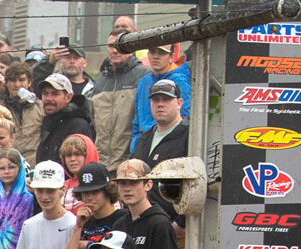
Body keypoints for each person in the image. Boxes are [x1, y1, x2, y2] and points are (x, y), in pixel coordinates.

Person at [90, 37, 146, 171]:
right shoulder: (100, 81)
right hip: (102, 165)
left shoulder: (143, 76)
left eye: (121, 46)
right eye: (110, 46)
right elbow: (94, 122)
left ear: (131, 49)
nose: (115, 50)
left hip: (129, 164)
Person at [129, 79, 187, 177]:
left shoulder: (189, 136)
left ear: (179, 103)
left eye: (166, 99)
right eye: (156, 100)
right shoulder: (143, 140)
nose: (160, 104)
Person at [33, 72, 93, 165]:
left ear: (68, 97)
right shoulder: (48, 122)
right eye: (45, 94)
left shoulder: (77, 125)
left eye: (55, 94)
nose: (48, 99)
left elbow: (80, 165)